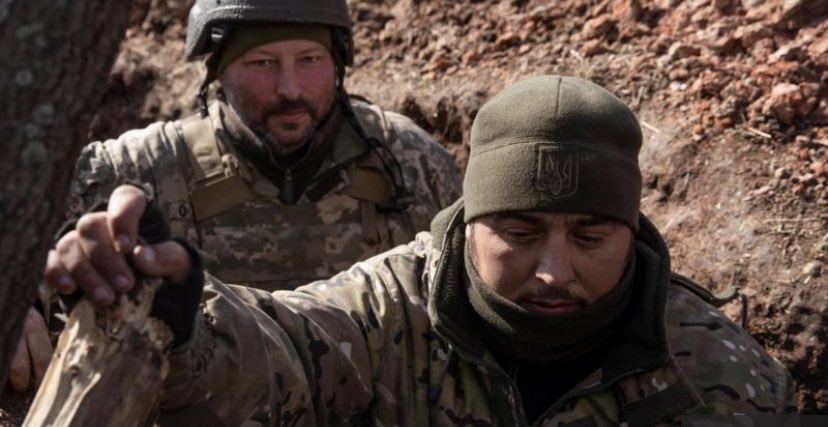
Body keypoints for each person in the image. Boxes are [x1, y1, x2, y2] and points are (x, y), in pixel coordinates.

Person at [46, 75, 796, 425]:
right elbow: (286, 350)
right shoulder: (398, 306)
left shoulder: (719, 376)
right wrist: (184, 314)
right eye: (519, 233)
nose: (552, 269)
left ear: (633, 232)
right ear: (467, 221)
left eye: (590, 236)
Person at [9, 0, 461, 392]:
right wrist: (20, 304)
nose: (290, 89)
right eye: (262, 63)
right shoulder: (137, 169)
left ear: (338, 60)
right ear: (219, 70)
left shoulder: (410, 165)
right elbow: (21, 233)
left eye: (309, 59)